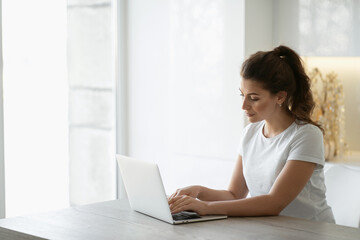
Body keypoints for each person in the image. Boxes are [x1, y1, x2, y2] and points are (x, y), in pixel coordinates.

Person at [168, 45, 335, 223]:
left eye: (254, 98)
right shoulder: (250, 133)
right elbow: (234, 194)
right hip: (270, 230)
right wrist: (199, 192)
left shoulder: (306, 135)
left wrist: (206, 208)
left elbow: (274, 203)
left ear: (280, 97)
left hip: (309, 232)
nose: (244, 106)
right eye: (243, 95)